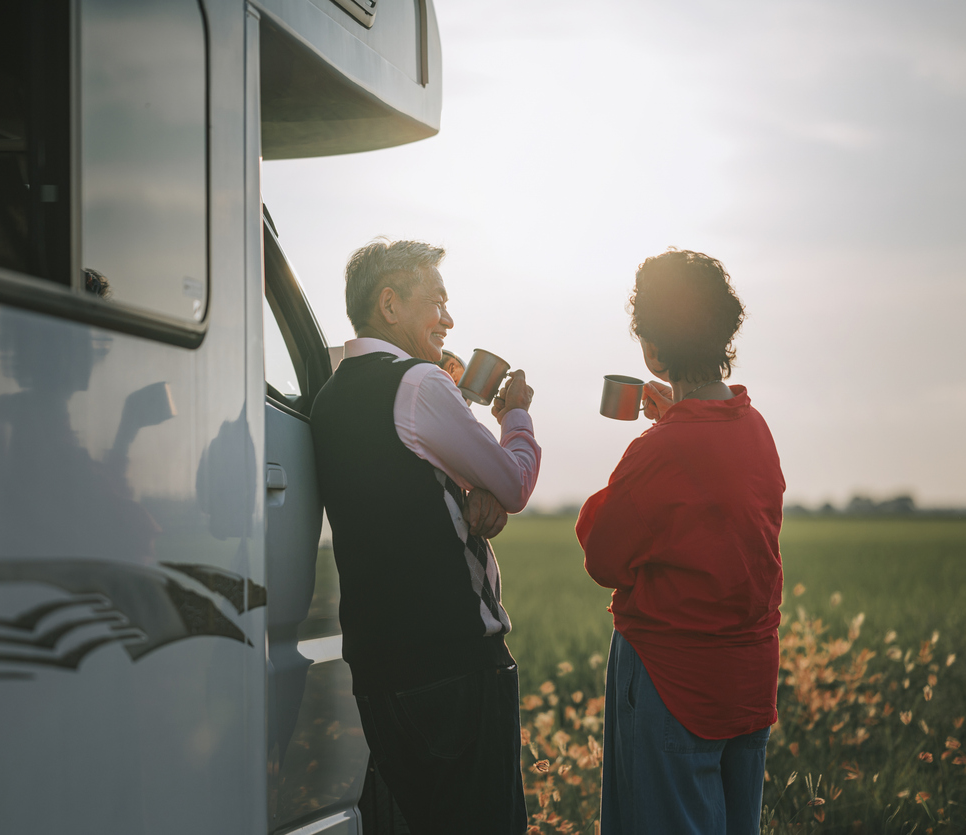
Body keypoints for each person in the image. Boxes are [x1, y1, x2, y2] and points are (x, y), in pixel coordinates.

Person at [311, 238, 540, 835]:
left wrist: (468, 492)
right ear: (390, 304)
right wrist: (514, 416)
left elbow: (400, 482)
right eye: (436, 301)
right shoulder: (418, 384)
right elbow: (514, 483)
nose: (449, 318)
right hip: (457, 662)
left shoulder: (330, 397)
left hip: (379, 672)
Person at [576, 249, 784, 835]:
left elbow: (603, 555)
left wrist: (660, 439)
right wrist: (674, 422)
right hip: (746, 684)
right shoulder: (754, 427)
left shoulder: (660, 451)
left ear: (652, 349)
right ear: (724, 335)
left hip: (674, 682)